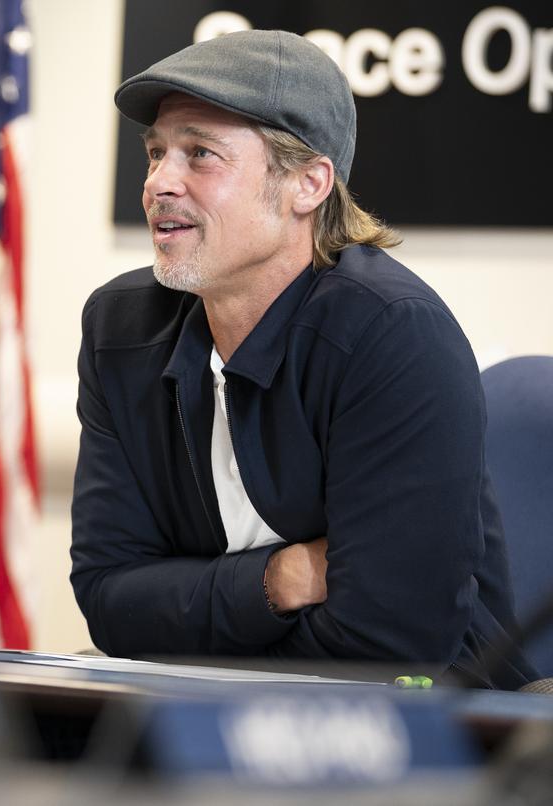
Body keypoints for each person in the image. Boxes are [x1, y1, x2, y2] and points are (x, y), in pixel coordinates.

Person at [70, 29, 535, 690]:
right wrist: (275, 579)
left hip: (428, 738)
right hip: (203, 718)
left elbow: (391, 642)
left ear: (308, 185)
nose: (158, 184)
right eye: (155, 153)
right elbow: (108, 596)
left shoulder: (392, 333)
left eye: (200, 153)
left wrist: (197, 636)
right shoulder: (118, 328)